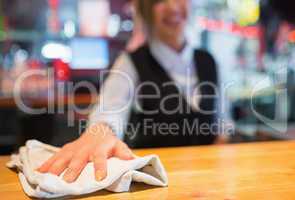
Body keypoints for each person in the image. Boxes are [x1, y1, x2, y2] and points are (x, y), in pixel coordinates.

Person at [38, 0, 231, 183]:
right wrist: (99, 133)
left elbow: (223, 123)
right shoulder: (131, 62)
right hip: (156, 183)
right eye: (159, 1)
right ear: (146, 11)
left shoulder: (209, 60)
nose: (172, 6)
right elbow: (110, 110)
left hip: (208, 181)